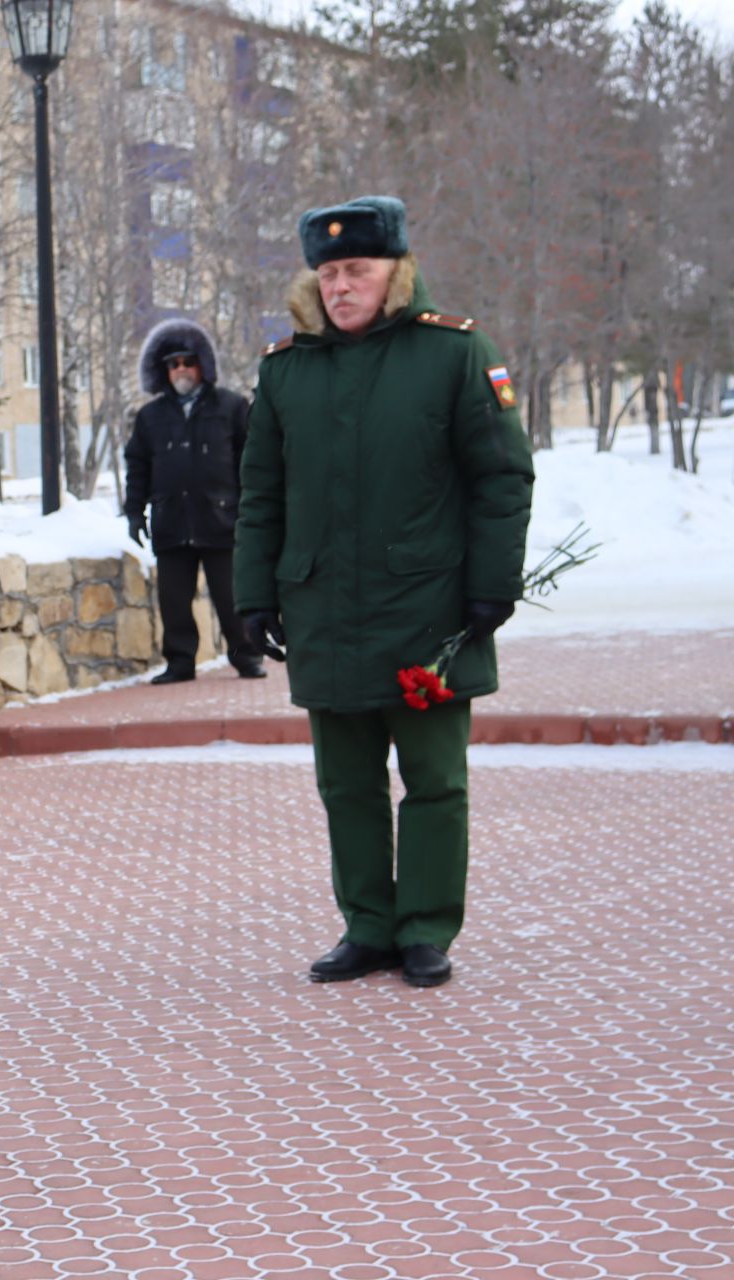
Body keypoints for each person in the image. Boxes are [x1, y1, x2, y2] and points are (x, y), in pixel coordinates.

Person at [233, 196, 534, 989]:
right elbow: (260, 493)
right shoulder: (287, 369)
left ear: (395, 272)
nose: (340, 286)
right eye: (328, 273)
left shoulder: (456, 356)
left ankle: (427, 927)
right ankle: (367, 926)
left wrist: (491, 587)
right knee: (346, 784)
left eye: (356, 270)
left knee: (434, 781)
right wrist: (253, 596)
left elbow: (501, 478)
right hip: (324, 610)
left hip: (428, 611)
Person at [123, 318, 263, 684]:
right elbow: (137, 465)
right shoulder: (150, 416)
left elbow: (251, 461)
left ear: (202, 364)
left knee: (232, 596)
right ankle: (180, 662)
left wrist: (251, 510)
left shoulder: (231, 406)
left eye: (188, 361)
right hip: (172, 521)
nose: (181, 369)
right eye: (173, 364)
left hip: (221, 520)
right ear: (163, 369)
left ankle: (247, 657)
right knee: (174, 600)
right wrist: (134, 513)